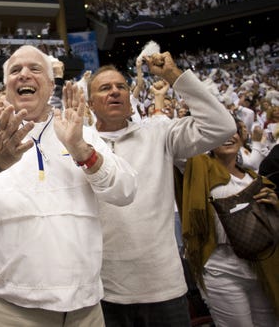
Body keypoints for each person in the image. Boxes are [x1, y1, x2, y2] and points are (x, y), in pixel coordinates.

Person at [0, 45, 138, 327]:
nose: (24, 74)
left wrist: (80, 149)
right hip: (9, 311)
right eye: (15, 70)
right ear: (6, 86)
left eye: (35, 69)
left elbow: (125, 191)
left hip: (85, 310)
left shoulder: (81, 133)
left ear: (51, 84)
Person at [87, 51, 236, 326]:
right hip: (103, 289)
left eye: (121, 86)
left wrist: (173, 75)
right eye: (105, 88)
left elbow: (222, 127)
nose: (115, 92)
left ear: (131, 103)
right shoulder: (80, 145)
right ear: (90, 103)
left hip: (162, 286)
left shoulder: (160, 135)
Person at [179, 119, 279, 326]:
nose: (229, 137)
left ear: (242, 137)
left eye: (234, 132)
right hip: (221, 268)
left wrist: (276, 204)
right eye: (221, 132)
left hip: (259, 264)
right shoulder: (198, 168)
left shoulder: (253, 177)